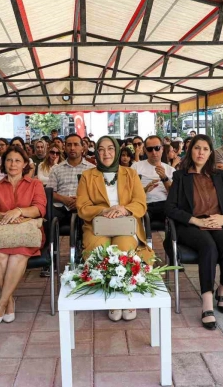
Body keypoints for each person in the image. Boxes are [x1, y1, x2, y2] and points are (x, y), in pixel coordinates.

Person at [165, 134, 223, 329]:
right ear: (190, 150)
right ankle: (207, 302)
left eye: (205, 149)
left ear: (210, 153)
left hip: (218, 221)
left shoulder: (219, 175)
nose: (201, 152)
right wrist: (195, 220)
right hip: (191, 224)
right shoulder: (181, 176)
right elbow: (170, 208)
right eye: (197, 148)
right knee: (208, 247)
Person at [77, 136, 151, 322]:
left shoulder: (130, 174)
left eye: (110, 148)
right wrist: (103, 210)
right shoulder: (87, 175)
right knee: (100, 250)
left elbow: (140, 204)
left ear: (117, 151)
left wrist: (123, 209)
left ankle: (127, 296)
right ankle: (112, 297)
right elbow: (82, 207)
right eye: (101, 149)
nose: (106, 153)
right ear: (96, 152)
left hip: (125, 223)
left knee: (124, 248)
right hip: (97, 224)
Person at [0, 145, 47, 326]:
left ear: (25, 164)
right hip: (2, 232)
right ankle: (8, 301)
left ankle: (1, 303)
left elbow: (39, 208)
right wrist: (6, 216)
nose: (13, 164)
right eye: (9, 160)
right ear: (4, 163)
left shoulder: (35, 184)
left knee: (17, 255)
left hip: (26, 233)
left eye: (17, 160)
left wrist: (19, 211)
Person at [46, 134, 95, 227]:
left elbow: (95, 193)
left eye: (76, 144)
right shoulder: (56, 169)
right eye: (69, 145)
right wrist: (64, 199)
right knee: (47, 218)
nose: (72, 148)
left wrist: (80, 201)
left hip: (83, 206)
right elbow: (50, 192)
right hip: (60, 207)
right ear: (64, 148)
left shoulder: (92, 169)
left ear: (82, 148)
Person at [132, 135, 175, 227]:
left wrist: (164, 178)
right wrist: (144, 189)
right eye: (150, 149)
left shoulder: (170, 170)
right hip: (144, 203)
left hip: (164, 203)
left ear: (162, 149)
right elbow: (129, 192)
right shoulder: (136, 167)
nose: (154, 152)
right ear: (145, 150)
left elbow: (174, 195)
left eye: (157, 148)